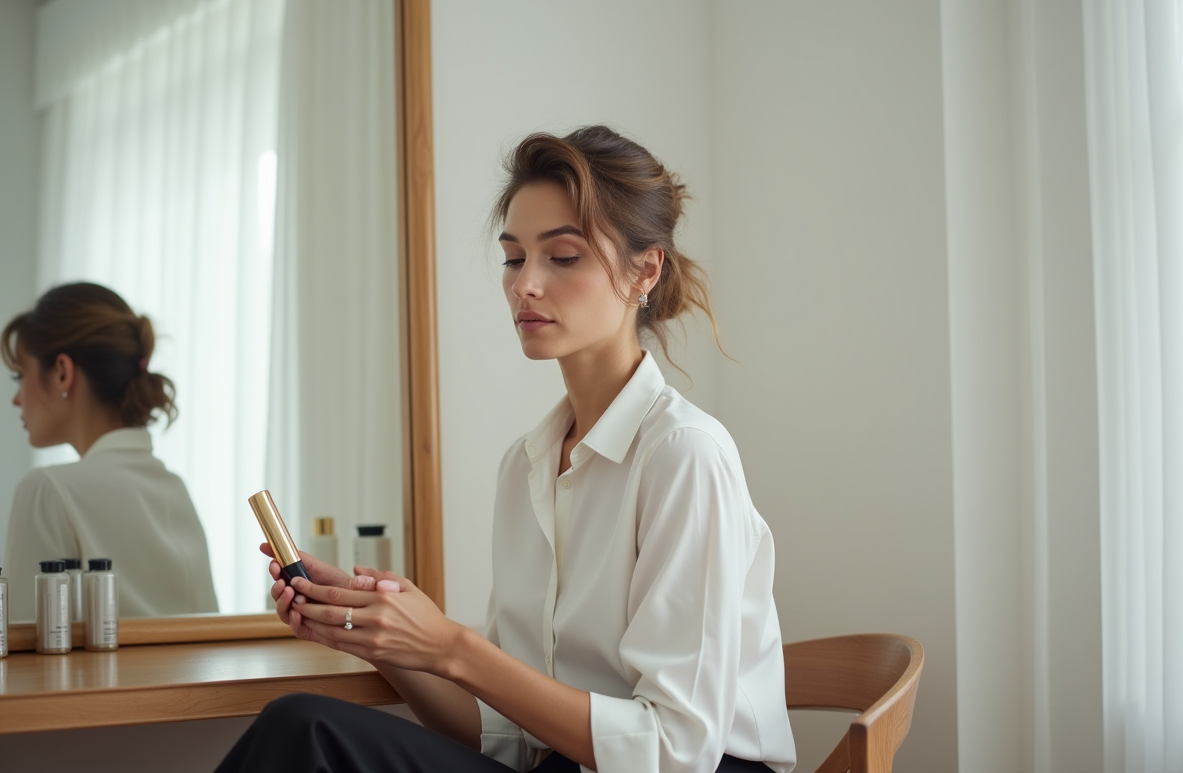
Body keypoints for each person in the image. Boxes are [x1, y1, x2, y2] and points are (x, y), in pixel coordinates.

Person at [217, 126, 796, 773]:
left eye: (563, 257)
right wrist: (379, 635)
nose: (526, 284)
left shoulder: (684, 456)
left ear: (646, 270)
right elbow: (508, 737)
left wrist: (451, 645)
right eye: (514, 258)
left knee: (303, 730)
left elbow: (674, 751)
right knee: (310, 728)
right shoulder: (525, 466)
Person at [2, 282, 218, 621]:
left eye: (19, 375)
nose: (16, 399)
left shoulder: (46, 491)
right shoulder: (175, 489)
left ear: (62, 372)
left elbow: (19, 644)